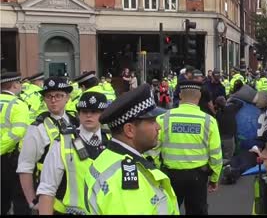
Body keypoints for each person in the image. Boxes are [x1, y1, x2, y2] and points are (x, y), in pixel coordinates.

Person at [84, 84, 179, 215]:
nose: (158, 127)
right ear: (129, 130)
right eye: (152, 121)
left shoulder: (109, 158)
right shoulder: (127, 181)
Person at [36, 92, 110, 215]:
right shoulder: (63, 143)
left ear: (104, 114)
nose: (88, 115)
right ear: (78, 114)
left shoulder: (112, 141)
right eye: (84, 111)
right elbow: (47, 190)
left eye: (94, 111)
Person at [156, 80, 222, 215]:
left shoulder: (163, 118)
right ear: (198, 97)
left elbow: (154, 149)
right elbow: (215, 154)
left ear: (180, 95)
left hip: (170, 176)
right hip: (197, 177)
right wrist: (214, 178)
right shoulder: (209, 121)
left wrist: (158, 171)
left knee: (168, 210)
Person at [17, 77, 78, 214]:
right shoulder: (37, 128)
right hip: (51, 200)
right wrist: (33, 201)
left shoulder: (77, 122)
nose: (53, 100)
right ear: (44, 99)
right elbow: (25, 167)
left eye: (58, 95)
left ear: (67, 98)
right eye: (49, 96)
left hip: (77, 199)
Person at [1, 72, 31, 215]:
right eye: (19, 83)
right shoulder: (19, 104)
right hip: (10, 158)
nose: (21, 86)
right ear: (14, 85)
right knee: (19, 197)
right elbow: (18, 132)